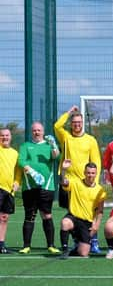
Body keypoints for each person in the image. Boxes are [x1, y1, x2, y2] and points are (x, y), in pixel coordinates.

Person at [54, 105, 101, 252]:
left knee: (90, 213)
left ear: (83, 123)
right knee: (73, 214)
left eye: (79, 122)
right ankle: (77, 241)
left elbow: (96, 162)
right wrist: (68, 112)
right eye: (74, 122)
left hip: (86, 185)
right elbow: (57, 125)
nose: (77, 125)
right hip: (69, 184)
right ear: (71, 124)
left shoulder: (90, 140)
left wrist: (95, 182)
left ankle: (93, 241)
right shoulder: (66, 138)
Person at [17, 122, 60, 254]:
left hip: (47, 186)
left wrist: (53, 145)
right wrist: (32, 172)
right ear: (32, 132)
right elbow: (21, 161)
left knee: (46, 215)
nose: (37, 132)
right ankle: (26, 246)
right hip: (30, 186)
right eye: (34, 130)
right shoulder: (25, 146)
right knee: (29, 215)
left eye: (39, 130)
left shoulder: (49, 145)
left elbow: (56, 156)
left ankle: (51, 245)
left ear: (43, 131)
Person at [59, 159, 106, 259]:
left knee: (83, 253)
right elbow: (63, 182)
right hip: (74, 217)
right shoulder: (75, 183)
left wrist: (96, 225)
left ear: (96, 174)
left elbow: (100, 210)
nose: (90, 175)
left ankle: (76, 246)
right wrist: (63, 170)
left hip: (87, 222)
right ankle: (64, 250)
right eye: (88, 173)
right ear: (84, 173)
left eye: (93, 173)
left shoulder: (100, 190)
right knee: (65, 222)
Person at [0, 128, 22, 253]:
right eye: (2, 135)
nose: (5, 137)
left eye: (7, 135)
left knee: (4, 218)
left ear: (11, 137)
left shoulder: (15, 153)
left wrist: (17, 183)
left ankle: (1, 245)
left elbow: (18, 172)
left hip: (9, 191)